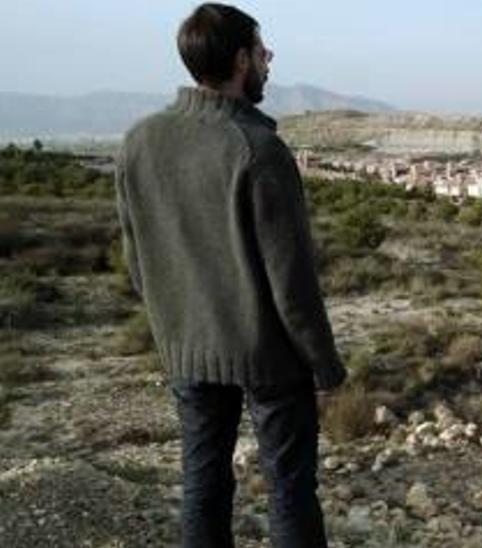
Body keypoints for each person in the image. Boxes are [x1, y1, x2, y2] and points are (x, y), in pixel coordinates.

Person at [113, 4, 346, 546]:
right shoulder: (258, 150)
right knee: (289, 490)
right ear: (242, 60)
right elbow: (292, 281)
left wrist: (173, 322)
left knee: (203, 482)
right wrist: (325, 364)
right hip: (269, 357)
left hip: (188, 348)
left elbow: (136, 259)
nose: (269, 59)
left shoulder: (139, 142)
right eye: (262, 51)